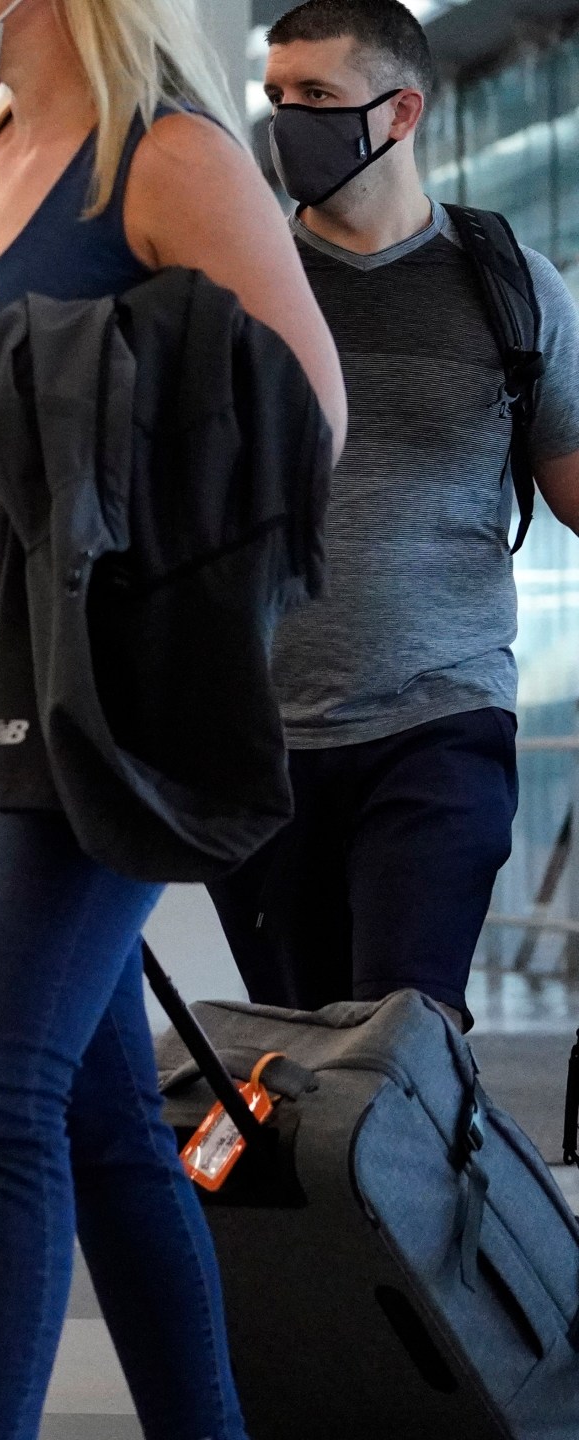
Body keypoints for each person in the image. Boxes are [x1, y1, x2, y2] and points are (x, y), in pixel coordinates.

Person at [0, 1, 346, 1435]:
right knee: (99, 1129)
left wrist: (51, 373)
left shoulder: (166, 155)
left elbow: (304, 412)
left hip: (104, 693)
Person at [209, 0, 579, 1026]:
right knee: (300, 1053)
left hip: (439, 714)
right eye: (276, 98)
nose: (287, 123)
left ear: (401, 110)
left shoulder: (508, 288)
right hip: (258, 736)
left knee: (405, 1028)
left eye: (317, 98)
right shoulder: (237, 286)